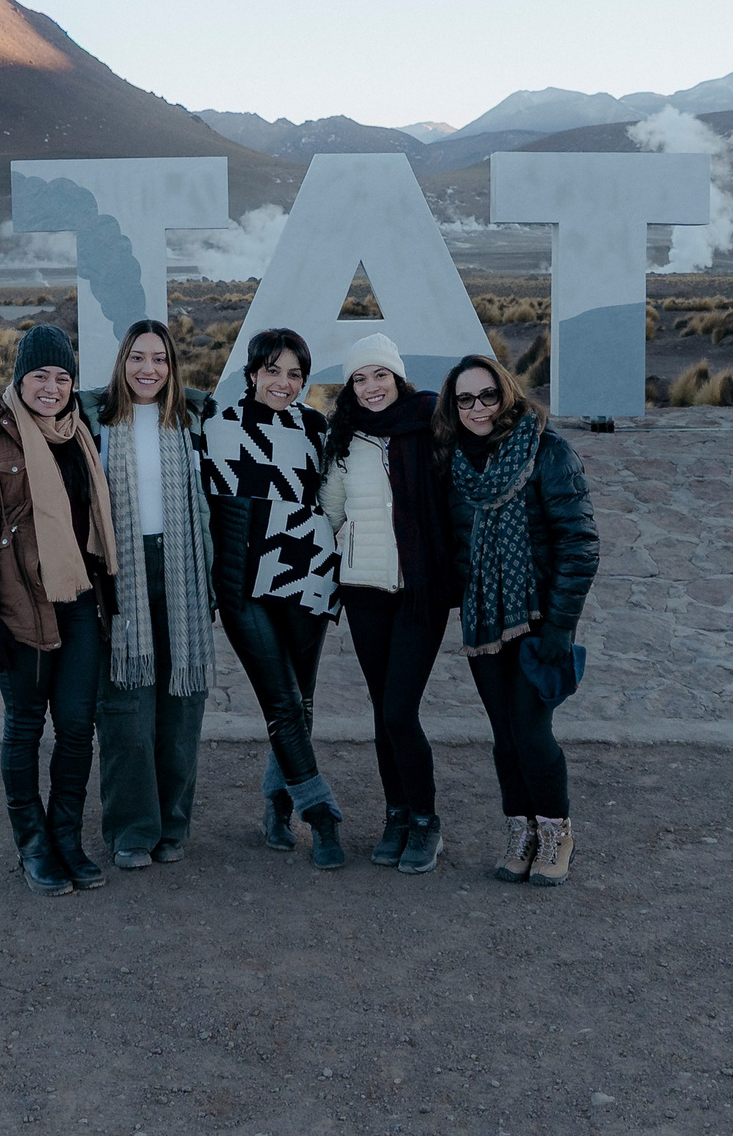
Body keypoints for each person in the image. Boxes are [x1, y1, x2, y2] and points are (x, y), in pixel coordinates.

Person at [0, 324, 117, 896]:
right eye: (40, 376)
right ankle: (32, 843)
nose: (51, 388)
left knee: (77, 728)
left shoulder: (79, 434)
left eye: (62, 377)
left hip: (79, 605)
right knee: (25, 726)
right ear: (19, 379)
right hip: (22, 610)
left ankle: (66, 837)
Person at [439, 352, 599, 887]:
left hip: (537, 621)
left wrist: (559, 627)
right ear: (453, 406)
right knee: (504, 737)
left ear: (506, 393)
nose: (478, 407)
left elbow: (579, 545)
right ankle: (521, 829)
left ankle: (557, 832)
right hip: (485, 622)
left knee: (531, 734)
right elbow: (455, 548)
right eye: (465, 399)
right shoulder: (457, 464)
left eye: (487, 395)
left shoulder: (548, 452)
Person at [202, 327, 348, 868]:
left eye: (294, 374)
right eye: (272, 371)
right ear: (252, 373)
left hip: (306, 578)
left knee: (300, 702)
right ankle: (322, 814)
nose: (283, 383)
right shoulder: (213, 425)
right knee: (281, 702)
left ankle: (277, 806)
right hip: (244, 585)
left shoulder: (316, 427)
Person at [319, 331, 461, 874]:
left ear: (398, 377)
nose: (371, 386)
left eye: (380, 374)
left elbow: (454, 498)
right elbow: (331, 508)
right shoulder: (346, 436)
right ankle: (396, 814)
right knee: (383, 712)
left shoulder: (432, 424)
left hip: (419, 593)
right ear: (350, 386)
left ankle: (426, 821)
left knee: (401, 710)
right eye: (359, 378)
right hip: (364, 591)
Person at [81, 319, 218, 870]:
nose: (149, 369)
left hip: (182, 567)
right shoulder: (93, 418)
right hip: (122, 571)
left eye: (159, 359)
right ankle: (132, 829)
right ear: (122, 361)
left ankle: (172, 824)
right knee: (125, 707)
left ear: (172, 366)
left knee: (181, 705)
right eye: (138, 358)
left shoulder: (195, 418)